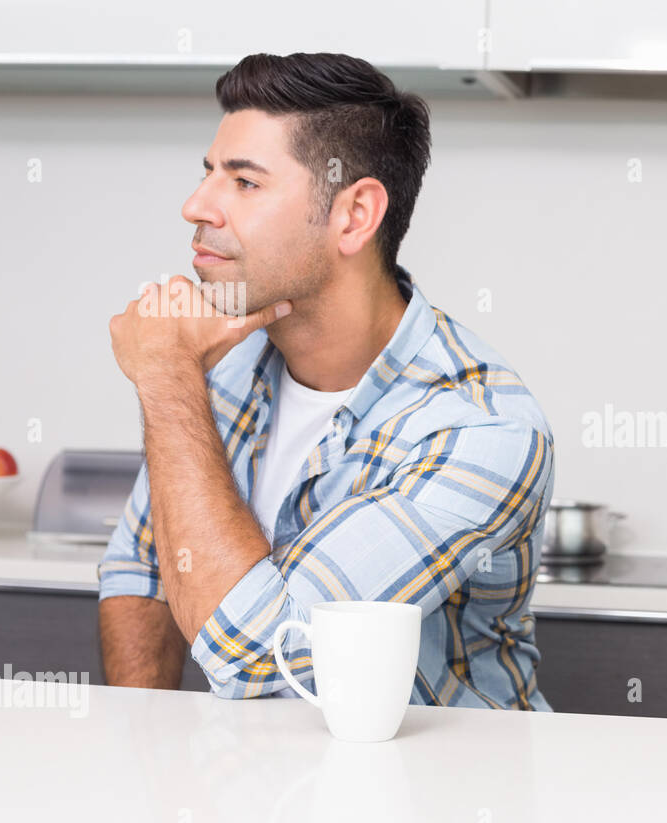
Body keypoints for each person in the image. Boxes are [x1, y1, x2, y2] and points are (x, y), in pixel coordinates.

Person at [98, 52, 554, 709]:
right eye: (207, 174)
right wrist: (142, 745)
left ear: (354, 215)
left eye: (244, 182)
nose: (195, 206)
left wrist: (166, 377)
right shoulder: (221, 370)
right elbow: (140, 573)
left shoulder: (479, 429)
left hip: (437, 802)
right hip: (259, 796)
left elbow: (259, 657)